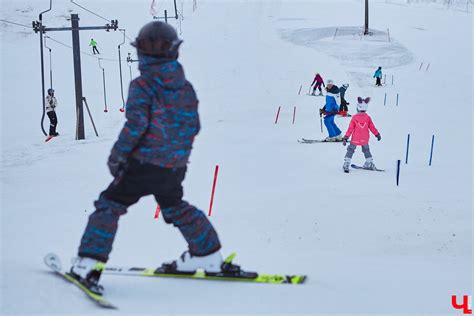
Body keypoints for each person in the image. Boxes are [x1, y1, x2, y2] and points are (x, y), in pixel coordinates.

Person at [70, 22, 229, 294]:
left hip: (143, 164)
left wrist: (117, 156)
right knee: (174, 206)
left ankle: (89, 263)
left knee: (110, 204)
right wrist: (176, 155)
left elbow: (136, 125)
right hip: (173, 166)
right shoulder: (185, 87)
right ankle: (207, 254)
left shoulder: (143, 84)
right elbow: (194, 126)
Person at [342, 97, 381, 172]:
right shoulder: (368, 117)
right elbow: (372, 127)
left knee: (350, 149)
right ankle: (369, 162)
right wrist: (377, 134)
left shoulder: (354, 117)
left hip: (355, 138)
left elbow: (350, 129)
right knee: (366, 150)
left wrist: (346, 137)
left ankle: (347, 163)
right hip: (365, 138)